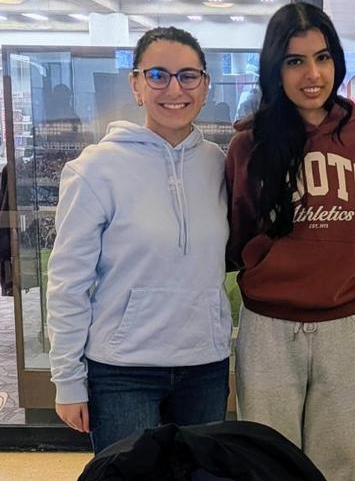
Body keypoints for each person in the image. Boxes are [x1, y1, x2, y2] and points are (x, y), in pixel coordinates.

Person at [225, 3, 355, 481]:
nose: (311, 74)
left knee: (343, 464)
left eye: (321, 58)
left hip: (345, 321)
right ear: (275, 69)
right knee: (270, 463)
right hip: (268, 326)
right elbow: (239, 230)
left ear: (336, 62)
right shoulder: (248, 145)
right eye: (294, 62)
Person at [46, 27, 230, 452]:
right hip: (122, 371)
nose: (174, 89)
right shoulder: (95, 170)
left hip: (204, 366)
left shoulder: (218, 165)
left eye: (188, 76)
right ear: (136, 84)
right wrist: (68, 380)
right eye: (158, 75)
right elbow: (68, 281)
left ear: (204, 86)